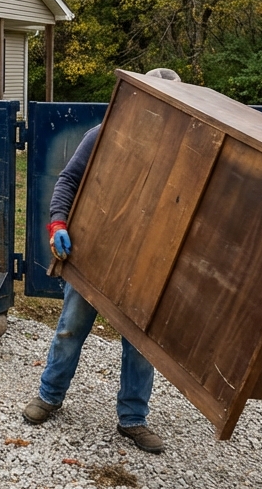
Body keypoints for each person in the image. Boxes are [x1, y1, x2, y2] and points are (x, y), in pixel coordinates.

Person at [21, 67, 181, 454]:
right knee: (70, 328)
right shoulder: (104, 135)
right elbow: (68, 180)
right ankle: (49, 396)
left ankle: (133, 418)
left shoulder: (178, 152)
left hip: (144, 263)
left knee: (140, 343)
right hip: (96, 255)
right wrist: (57, 222)